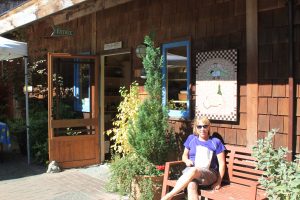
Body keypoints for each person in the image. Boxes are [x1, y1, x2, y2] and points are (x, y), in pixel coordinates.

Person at [161, 116, 226, 200]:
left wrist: (219, 182)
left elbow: (222, 163)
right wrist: (186, 160)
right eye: (199, 126)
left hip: (209, 173)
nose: (202, 129)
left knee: (194, 170)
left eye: (205, 126)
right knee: (191, 185)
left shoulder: (215, 141)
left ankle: (169, 196)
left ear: (209, 127)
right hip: (191, 173)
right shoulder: (191, 138)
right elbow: (184, 156)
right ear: (196, 128)